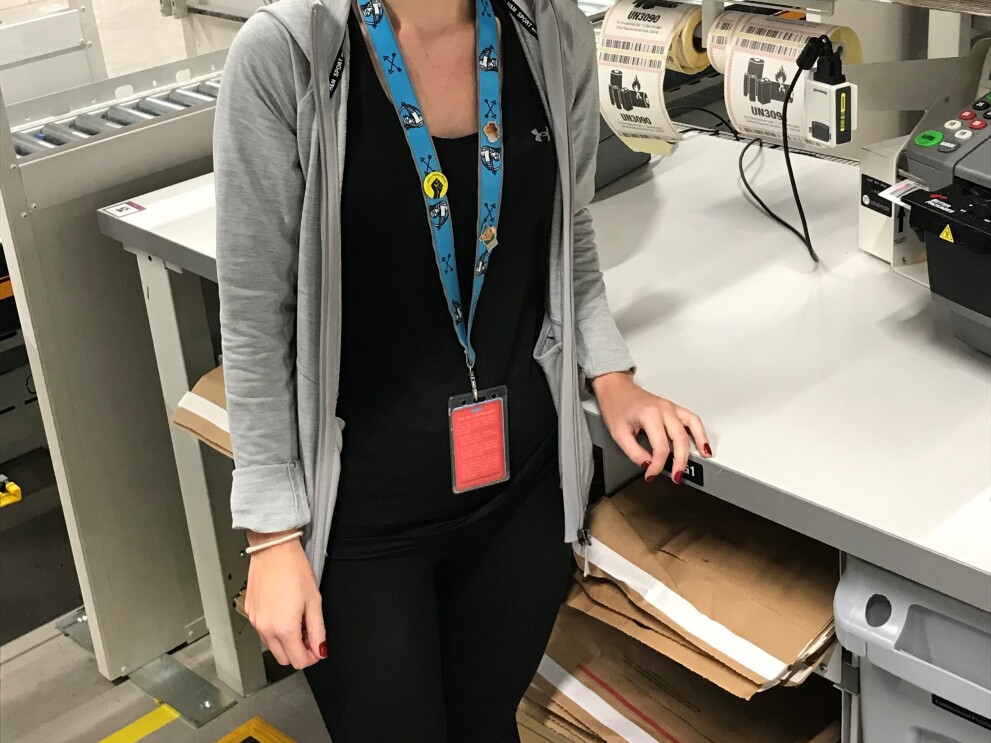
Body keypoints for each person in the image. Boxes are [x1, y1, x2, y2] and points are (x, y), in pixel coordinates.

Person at [213, 0, 711, 739]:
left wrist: (612, 375)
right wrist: (270, 534)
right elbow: (256, 314)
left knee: (485, 725)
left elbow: (567, 231)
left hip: (518, 495)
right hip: (360, 519)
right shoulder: (288, 53)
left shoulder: (551, 32)